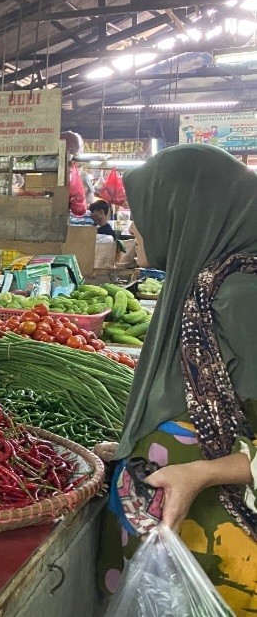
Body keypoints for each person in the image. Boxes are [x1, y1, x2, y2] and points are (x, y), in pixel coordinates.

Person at [99, 145, 257, 614]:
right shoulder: (202, 281)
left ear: (187, 213)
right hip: (174, 541)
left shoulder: (242, 298)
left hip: (219, 552)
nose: (132, 227)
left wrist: (200, 473)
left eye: (145, 210)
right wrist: (133, 443)